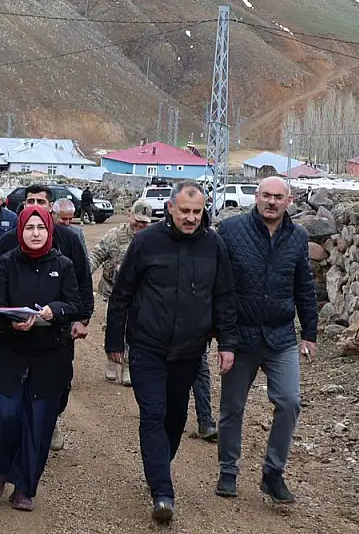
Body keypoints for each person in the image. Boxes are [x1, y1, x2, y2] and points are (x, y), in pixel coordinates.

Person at [105, 180, 237, 524]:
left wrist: (226, 343)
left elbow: (224, 297)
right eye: (185, 212)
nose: (192, 218)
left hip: (189, 351)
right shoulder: (146, 242)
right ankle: (163, 492)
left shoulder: (214, 246)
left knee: (176, 417)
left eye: (197, 212)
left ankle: (158, 466)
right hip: (148, 346)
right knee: (152, 413)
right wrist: (114, 342)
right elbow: (122, 293)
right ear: (171, 209)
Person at [214, 176, 318, 502]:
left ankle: (273, 474)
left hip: (281, 334)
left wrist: (310, 333)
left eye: (278, 197)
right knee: (232, 408)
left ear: (289, 201)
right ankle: (228, 471)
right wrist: (223, 339)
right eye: (266, 196)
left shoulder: (298, 237)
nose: (271, 202)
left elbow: (304, 287)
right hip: (240, 335)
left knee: (289, 402)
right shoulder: (230, 232)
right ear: (256, 197)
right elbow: (220, 289)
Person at [0, 205, 81, 511]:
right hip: (10, 350)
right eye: (29, 228)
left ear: (49, 231)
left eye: (40, 228)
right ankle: (0, 470)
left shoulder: (62, 264)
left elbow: (74, 303)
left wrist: (55, 310)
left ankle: (24, 487)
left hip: (49, 354)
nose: (35, 233)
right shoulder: (7, 262)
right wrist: (9, 319)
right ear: (20, 230)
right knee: (4, 414)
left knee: (39, 423)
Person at [0, 183, 93, 452]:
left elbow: (82, 281)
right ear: (22, 206)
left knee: (60, 381)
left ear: (51, 207)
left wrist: (83, 318)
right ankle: (25, 434)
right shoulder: (7, 242)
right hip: (15, 333)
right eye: (30, 201)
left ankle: (51, 419)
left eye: (41, 201)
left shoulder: (69, 240)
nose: (35, 206)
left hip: (57, 328)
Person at [89, 199, 153, 385]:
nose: (140, 225)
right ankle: (111, 359)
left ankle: (127, 365)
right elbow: (95, 257)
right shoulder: (113, 236)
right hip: (113, 291)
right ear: (129, 214)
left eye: (144, 222)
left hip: (139, 294)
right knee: (113, 326)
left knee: (134, 329)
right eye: (137, 220)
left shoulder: (152, 239)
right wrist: (81, 278)